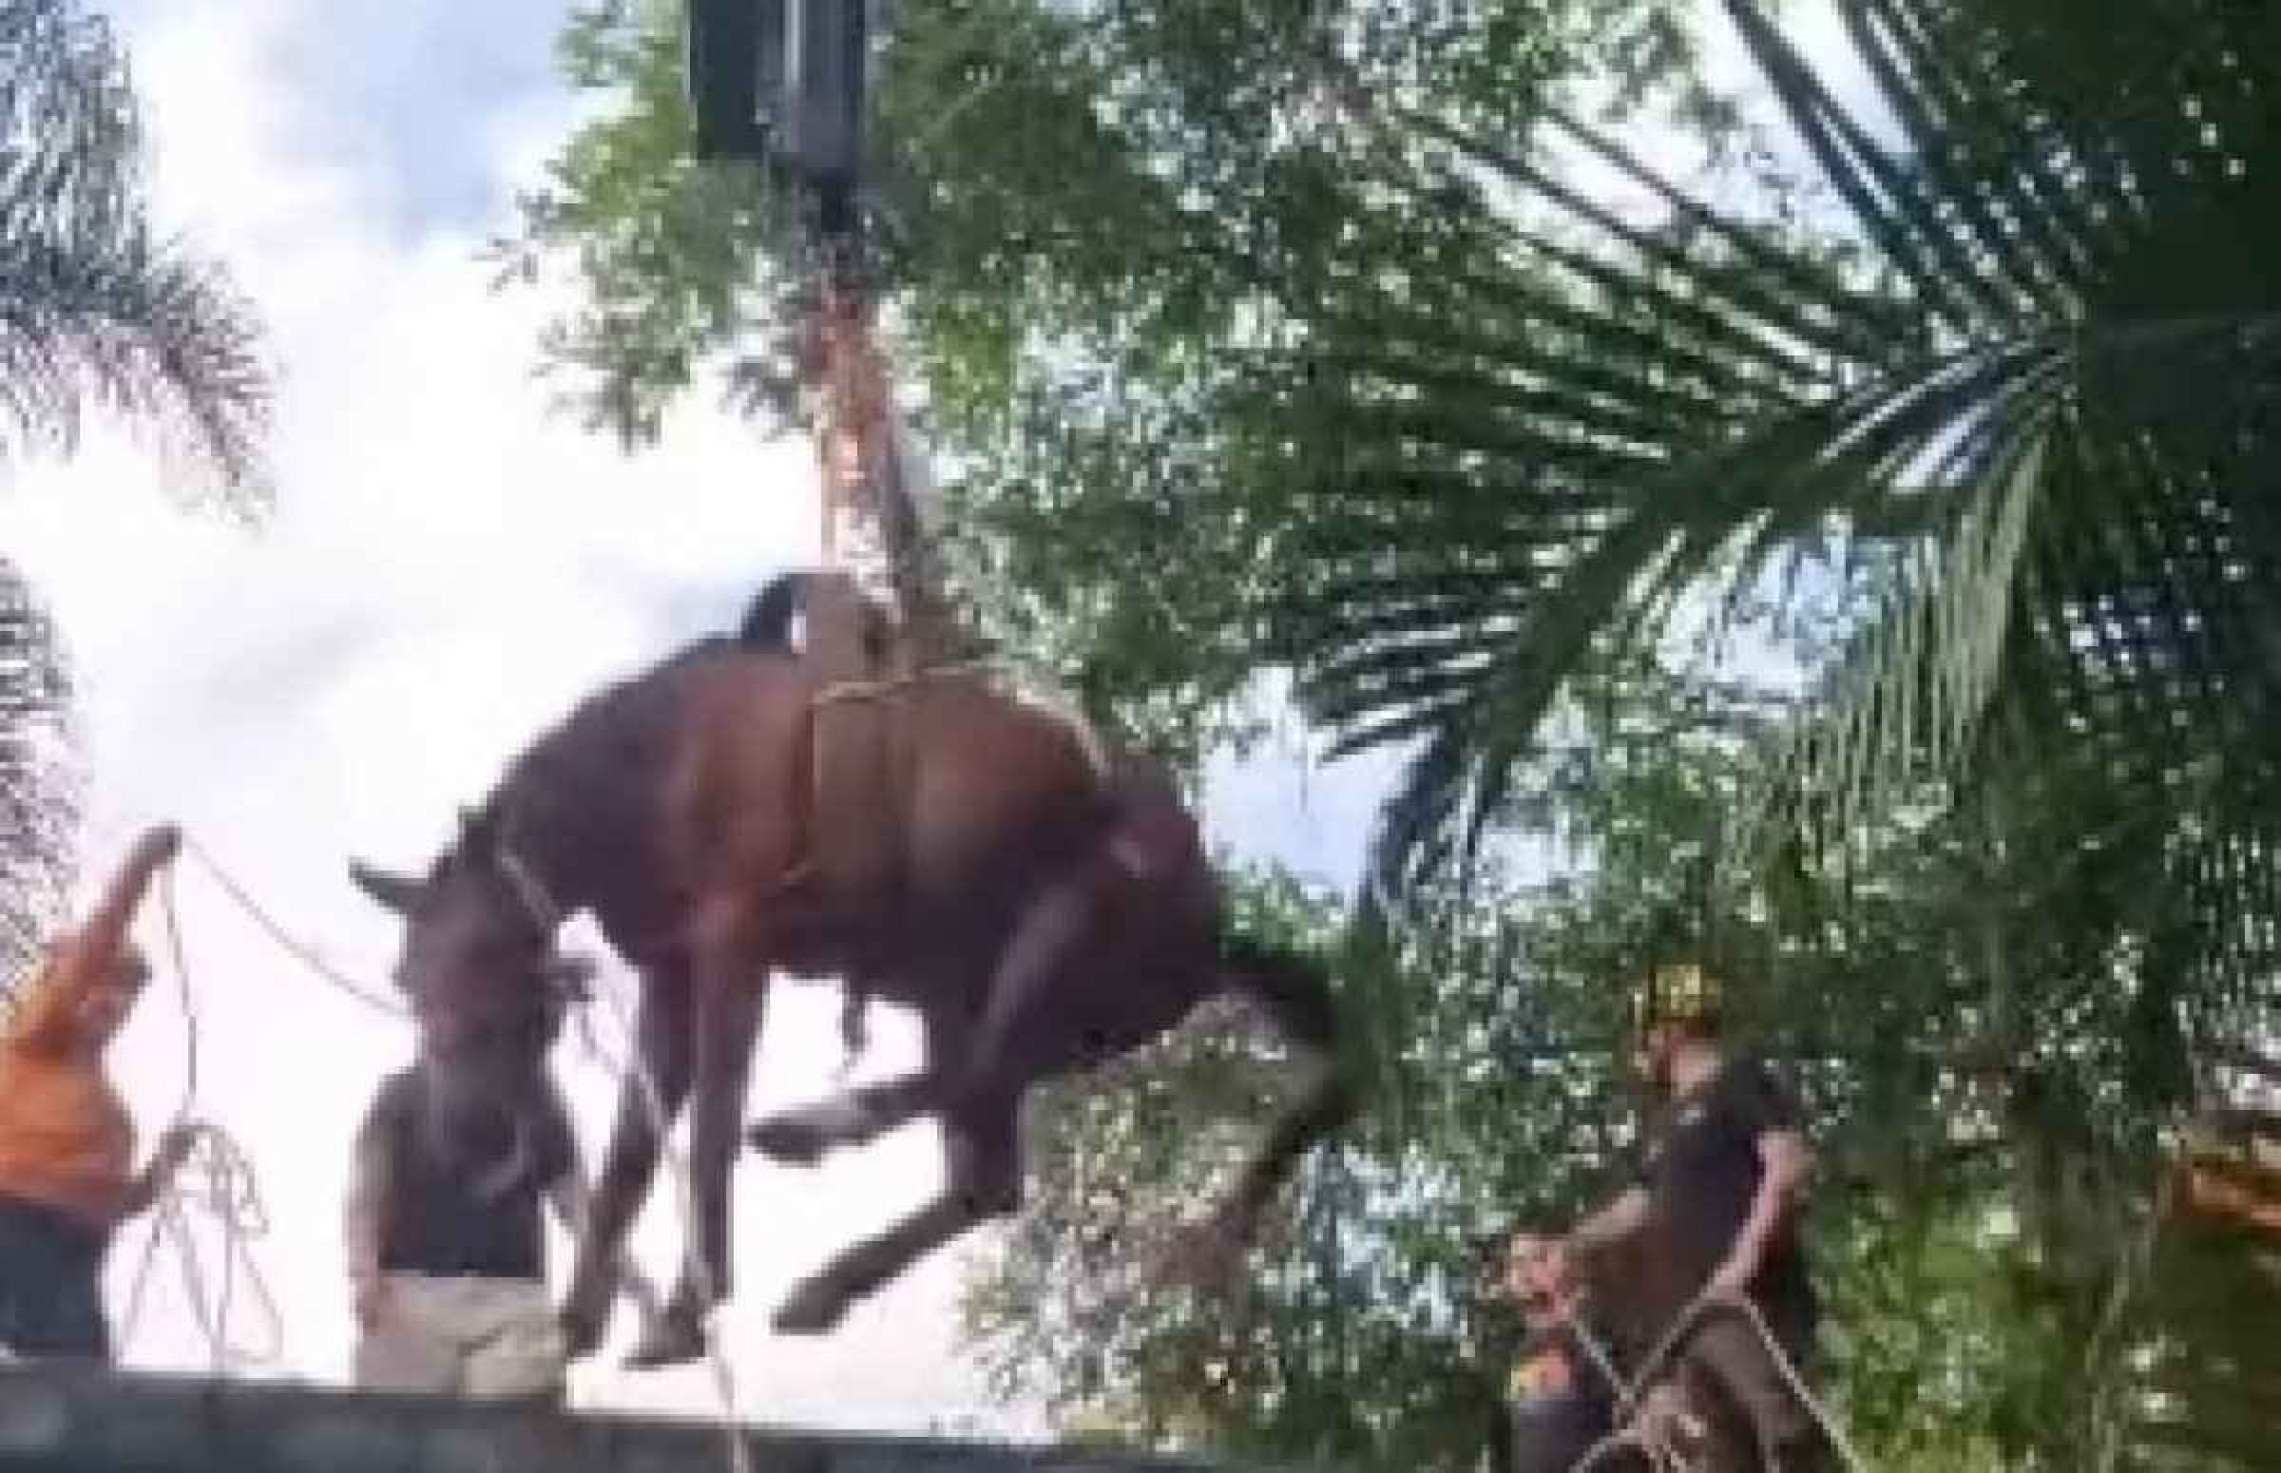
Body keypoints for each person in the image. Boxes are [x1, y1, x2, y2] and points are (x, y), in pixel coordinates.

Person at [1560, 963, 1828, 1473]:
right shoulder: (1663, 1125)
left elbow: (1787, 1162)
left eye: (1648, 1029)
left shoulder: (1739, 1081)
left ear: (1673, 1027)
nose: (1641, 1044)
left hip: (1748, 1302)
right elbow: (1634, 1209)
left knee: (1787, 1435)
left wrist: (1744, 1258)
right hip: (1689, 1322)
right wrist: (1569, 1245)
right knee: (1719, 1457)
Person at [344, 991, 657, 1402]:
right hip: (412, 1299)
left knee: (512, 1435)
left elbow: (581, 1209)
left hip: (512, 1305)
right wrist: (364, 1275)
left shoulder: (538, 1104)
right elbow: (366, 1193)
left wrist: (639, 1288)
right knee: (400, 1434)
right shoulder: (399, 1095)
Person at [0, 824, 200, 1360]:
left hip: (75, 1258)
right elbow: (97, 941)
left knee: (86, 1381)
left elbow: (116, 1203)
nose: (109, 1001)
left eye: (123, 994)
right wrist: (139, 864)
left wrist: (164, 1165)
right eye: (98, 984)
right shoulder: (34, 1038)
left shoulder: (110, 1114)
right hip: (14, 1223)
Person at [1493, 1231, 1613, 1472]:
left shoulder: (1596, 1329)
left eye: (1537, 1257)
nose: (1524, 1271)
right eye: (1516, 1263)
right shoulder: (1521, 1354)